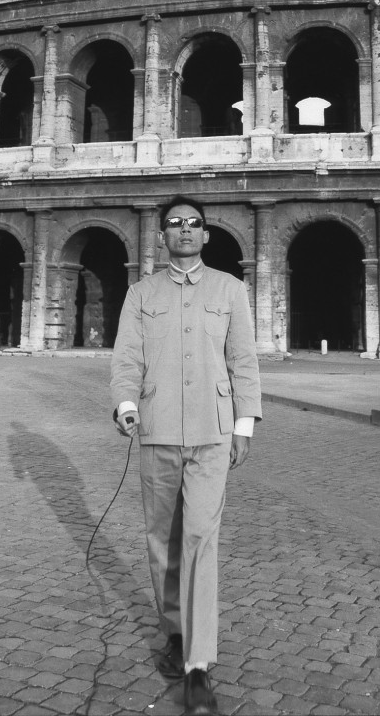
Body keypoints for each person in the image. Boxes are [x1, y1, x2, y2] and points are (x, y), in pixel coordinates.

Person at [111, 195, 262, 716]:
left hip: (213, 432)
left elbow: (243, 358)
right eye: (174, 225)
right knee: (162, 542)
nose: (185, 231)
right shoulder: (140, 293)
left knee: (200, 537)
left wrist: (244, 422)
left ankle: (197, 661)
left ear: (206, 235)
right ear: (161, 237)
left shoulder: (230, 289)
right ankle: (173, 629)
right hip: (156, 429)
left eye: (194, 224)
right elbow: (127, 355)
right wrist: (126, 403)